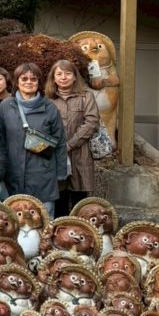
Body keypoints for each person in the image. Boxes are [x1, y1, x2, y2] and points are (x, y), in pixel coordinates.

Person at [0, 62, 68, 217]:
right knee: (14, 220)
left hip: (43, 174)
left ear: (39, 82)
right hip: (12, 173)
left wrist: (61, 174)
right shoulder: (6, 106)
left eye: (33, 79)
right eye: (24, 79)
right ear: (16, 82)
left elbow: (60, 142)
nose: (29, 82)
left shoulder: (50, 108)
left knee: (44, 219)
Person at [46, 59, 100, 215]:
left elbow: (91, 122)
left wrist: (70, 144)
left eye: (68, 73)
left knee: (80, 201)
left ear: (75, 77)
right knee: (59, 198)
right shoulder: (47, 100)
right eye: (59, 74)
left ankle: (79, 228)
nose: (63, 77)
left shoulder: (86, 97)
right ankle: (61, 228)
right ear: (53, 78)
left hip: (80, 154)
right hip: (55, 155)